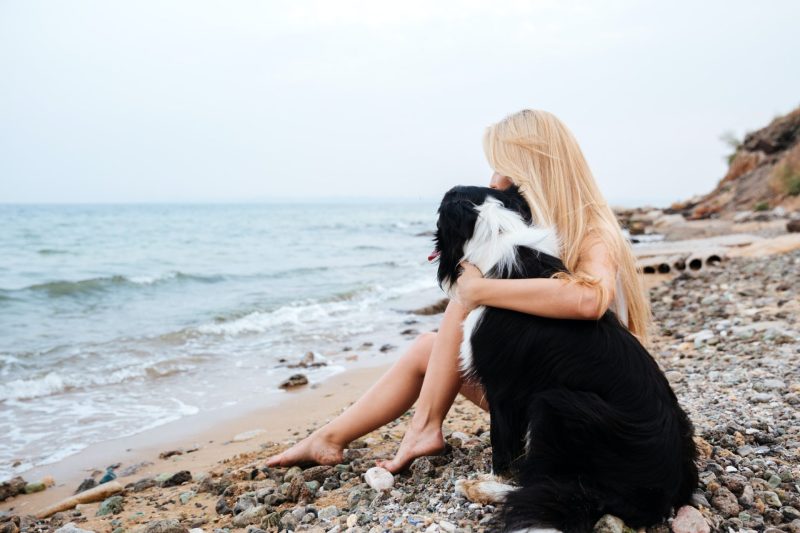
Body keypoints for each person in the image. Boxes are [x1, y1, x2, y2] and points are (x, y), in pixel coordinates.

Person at [265, 108, 651, 473]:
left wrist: (479, 291)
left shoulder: (592, 229)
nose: (494, 179)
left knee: (461, 305)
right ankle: (339, 437)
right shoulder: (539, 230)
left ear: (526, 167)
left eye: (500, 166)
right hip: (553, 388)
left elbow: (589, 300)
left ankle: (420, 432)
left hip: (590, 410)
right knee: (427, 345)